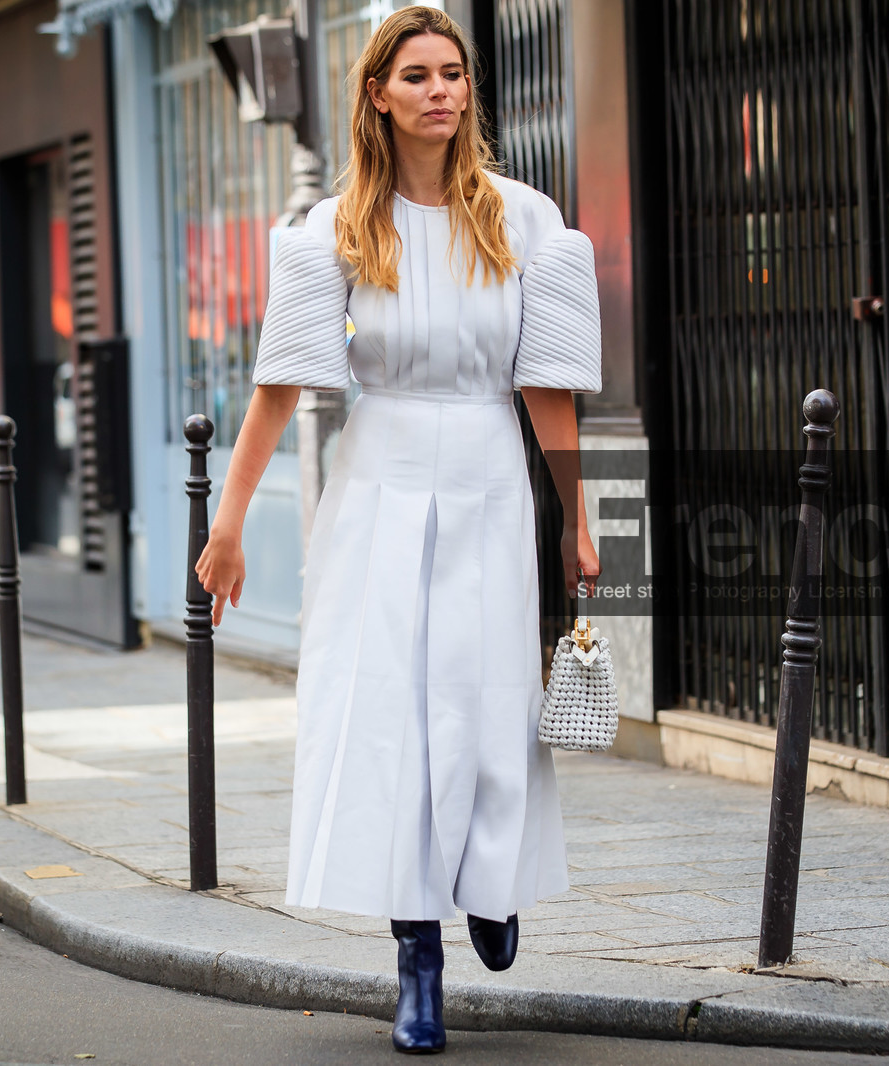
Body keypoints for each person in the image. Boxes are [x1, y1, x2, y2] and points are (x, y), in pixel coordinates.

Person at [192, 5, 601, 1056]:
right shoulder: (330, 230)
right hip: (377, 487)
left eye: (452, 73)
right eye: (415, 74)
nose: (439, 90)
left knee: (489, 699)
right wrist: (229, 523)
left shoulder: (527, 220)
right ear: (377, 93)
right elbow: (280, 388)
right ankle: (417, 954)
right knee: (393, 719)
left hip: (490, 483)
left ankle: (492, 882)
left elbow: (548, 387)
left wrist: (578, 523)